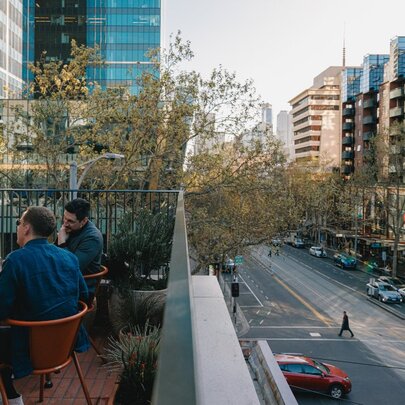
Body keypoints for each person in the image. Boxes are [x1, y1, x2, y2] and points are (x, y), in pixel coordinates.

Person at [0, 206, 89, 404]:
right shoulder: (69, 258)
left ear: (26, 228)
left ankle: (11, 396)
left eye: (19, 223)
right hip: (63, 347)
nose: (17, 227)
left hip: (28, 350)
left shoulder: (15, 260)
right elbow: (85, 298)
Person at [57, 198, 103, 298]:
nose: (65, 223)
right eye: (64, 218)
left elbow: (71, 267)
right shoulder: (70, 229)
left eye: (70, 221)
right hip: (63, 281)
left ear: (84, 221)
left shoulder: (92, 238)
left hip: (81, 288)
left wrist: (61, 243)